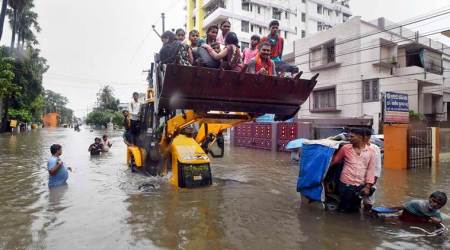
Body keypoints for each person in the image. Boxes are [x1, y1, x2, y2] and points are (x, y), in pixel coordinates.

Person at [331, 128, 376, 213]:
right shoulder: (345, 148)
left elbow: (371, 170)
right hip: (345, 183)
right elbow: (334, 161)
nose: (349, 138)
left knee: (356, 208)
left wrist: (367, 187)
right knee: (343, 208)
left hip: (360, 184)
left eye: (352, 136)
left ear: (360, 137)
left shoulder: (371, 151)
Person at [362, 131, 382, 211]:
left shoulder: (374, 148)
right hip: (356, 178)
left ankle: (367, 216)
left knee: (368, 202)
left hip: (369, 179)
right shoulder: (353, 147)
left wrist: (371, 183)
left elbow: (377, 166)